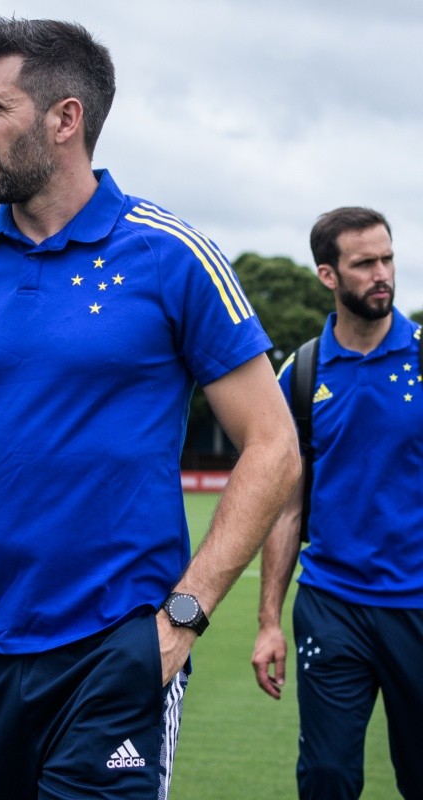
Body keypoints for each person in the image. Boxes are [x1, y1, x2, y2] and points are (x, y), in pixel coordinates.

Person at [0, 17, 299, 799]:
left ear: (66, 119)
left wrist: (185, 619)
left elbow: (273, 446)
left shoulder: (170, 253)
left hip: (115, 649)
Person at [251, 207, 423, 799]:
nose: (383, 274)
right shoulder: (299, 373)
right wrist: (269, 621)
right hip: (332, 605)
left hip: (418, 606)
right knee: (326, 778)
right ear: (328, 275)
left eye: (388, 258)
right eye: (364, 263)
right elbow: (286, 507)